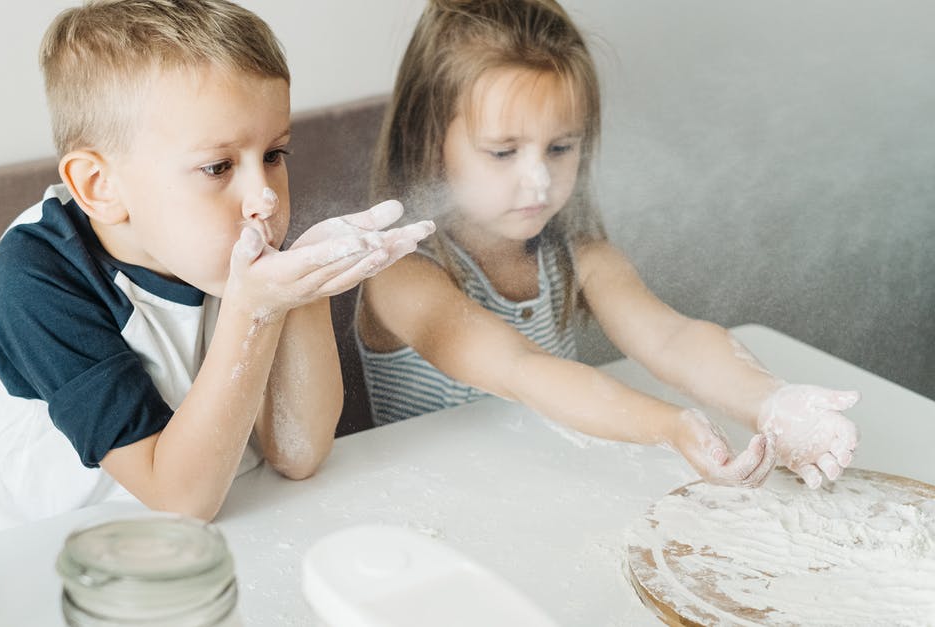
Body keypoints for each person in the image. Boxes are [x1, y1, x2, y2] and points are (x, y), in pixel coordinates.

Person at [0, 0, 435, 541]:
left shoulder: (230, 248)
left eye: (275, 155)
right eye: (218, 167)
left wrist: (306, 292)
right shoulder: (36, 281)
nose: (264, 200)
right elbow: (179, 499)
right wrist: (256, 309)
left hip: (217, 543)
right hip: (45, 573)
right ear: (99, 187)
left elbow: (297, 453)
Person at [356, 0, 858, 489]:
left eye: (560, 148)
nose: (538, 180)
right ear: (428, 140)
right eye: (503, 151)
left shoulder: (580, 257)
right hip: (429, 526)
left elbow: (672, 339)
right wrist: (670, 425)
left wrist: (770, 402)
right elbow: (522, 369)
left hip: (542, 495)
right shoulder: (401, 274)